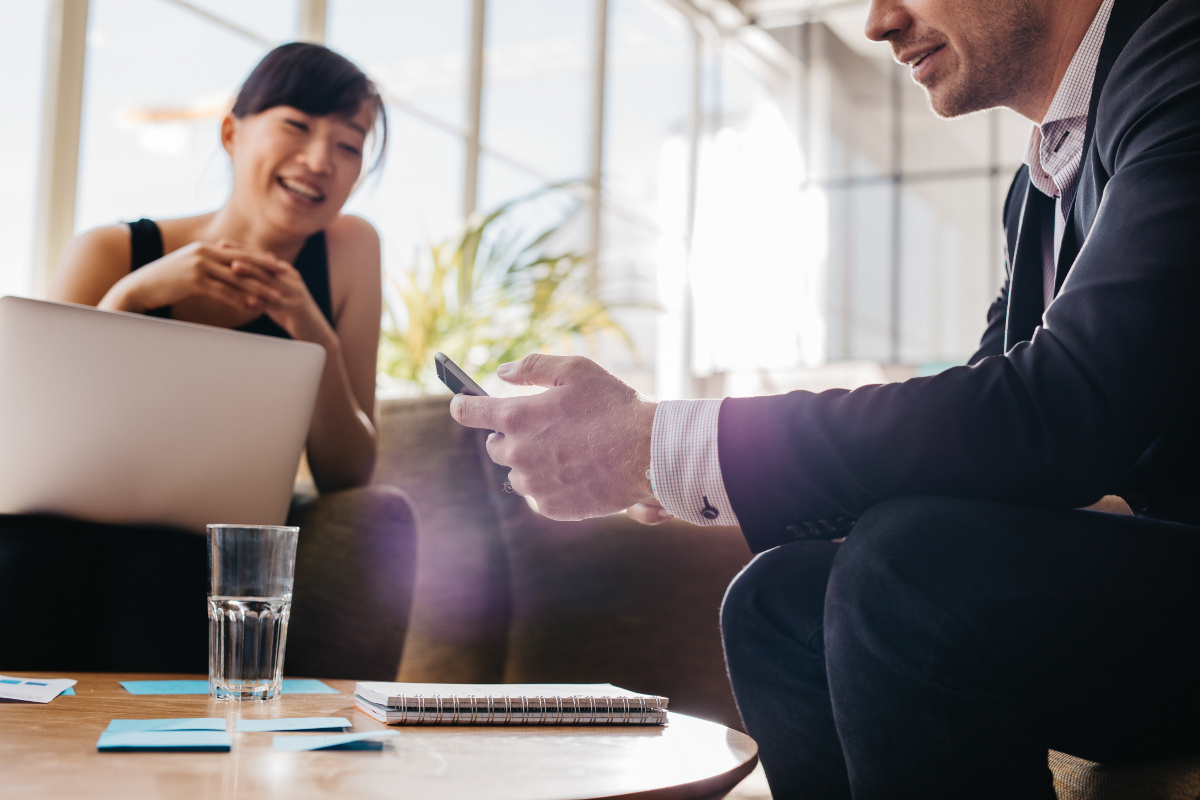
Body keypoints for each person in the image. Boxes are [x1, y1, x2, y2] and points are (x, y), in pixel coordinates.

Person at [449, 0, 1200, 797]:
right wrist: (658, 464)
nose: (878, 22)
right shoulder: (1037, 190)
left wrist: (659, 447)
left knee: (907, 569)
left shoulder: (1181, 63)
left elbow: (1061, 409)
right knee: (776, 602)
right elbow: (988, 449)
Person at [0, 43, 415, 675]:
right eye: (297, 126)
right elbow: (37, 439)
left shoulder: (349, 250)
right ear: (231, 133)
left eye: (348, 145)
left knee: (172, 580)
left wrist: (315, 333)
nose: (318, 161)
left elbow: (348, 472)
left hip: (209, 549)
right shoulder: (113, 251)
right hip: (60, 530)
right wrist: (133, 296)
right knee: (31, 563)